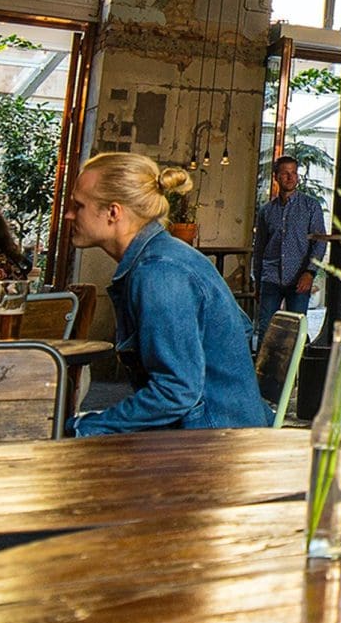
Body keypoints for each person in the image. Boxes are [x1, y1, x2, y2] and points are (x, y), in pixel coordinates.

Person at [64, 152, 266, 435]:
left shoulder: (159, 272)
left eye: (78, 205)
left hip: (213, 446)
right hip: (214, 432)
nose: (68, 214)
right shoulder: (163, 258)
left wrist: (83, 427)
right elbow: (240, 328)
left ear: (113, 212)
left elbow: (176, 392)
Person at [251, 154, 326, 343]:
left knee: (296, 332)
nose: (291, 177)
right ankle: (262, 372)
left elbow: (320, 242)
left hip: (299, 277)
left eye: (294, 173)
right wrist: (257, 281)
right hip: (271, 277)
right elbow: (259, 248)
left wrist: (310, 272)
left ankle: (297, 372)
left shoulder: (311, 206)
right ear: (276, 177)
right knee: (265, 330)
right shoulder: (267, 211)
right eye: (285, 173)